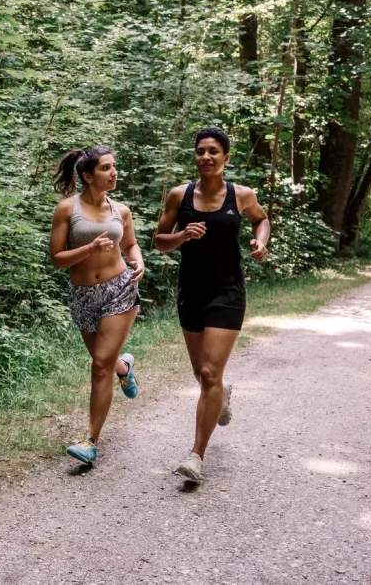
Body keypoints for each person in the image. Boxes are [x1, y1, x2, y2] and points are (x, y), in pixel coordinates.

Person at [154, 127, 270, 483]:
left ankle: (196, 456)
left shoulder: (242, 195)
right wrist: (182, 235)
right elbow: (159, 241)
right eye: (201, 151)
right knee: (202, 373)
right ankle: (222, 397)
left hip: (228, 292)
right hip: (191, 292)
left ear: (226, 158)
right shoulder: (179, 196)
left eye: (213, 151)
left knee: (208, 373)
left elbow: (261, 219)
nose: (206, 156)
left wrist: (260, 242)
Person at [50, 146, 145, 465]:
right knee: (105, 362)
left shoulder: (122, 210)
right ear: (88, 176)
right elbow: (57, 259)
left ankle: (90, 440)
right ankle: (125, 367)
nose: (114, 172)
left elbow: (130, 244)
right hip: (82, 295)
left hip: (120, 290)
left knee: (99, 365)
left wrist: (138, 261)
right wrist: (89, 248)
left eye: (114, 166)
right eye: (106, 168)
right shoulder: (67, 209)